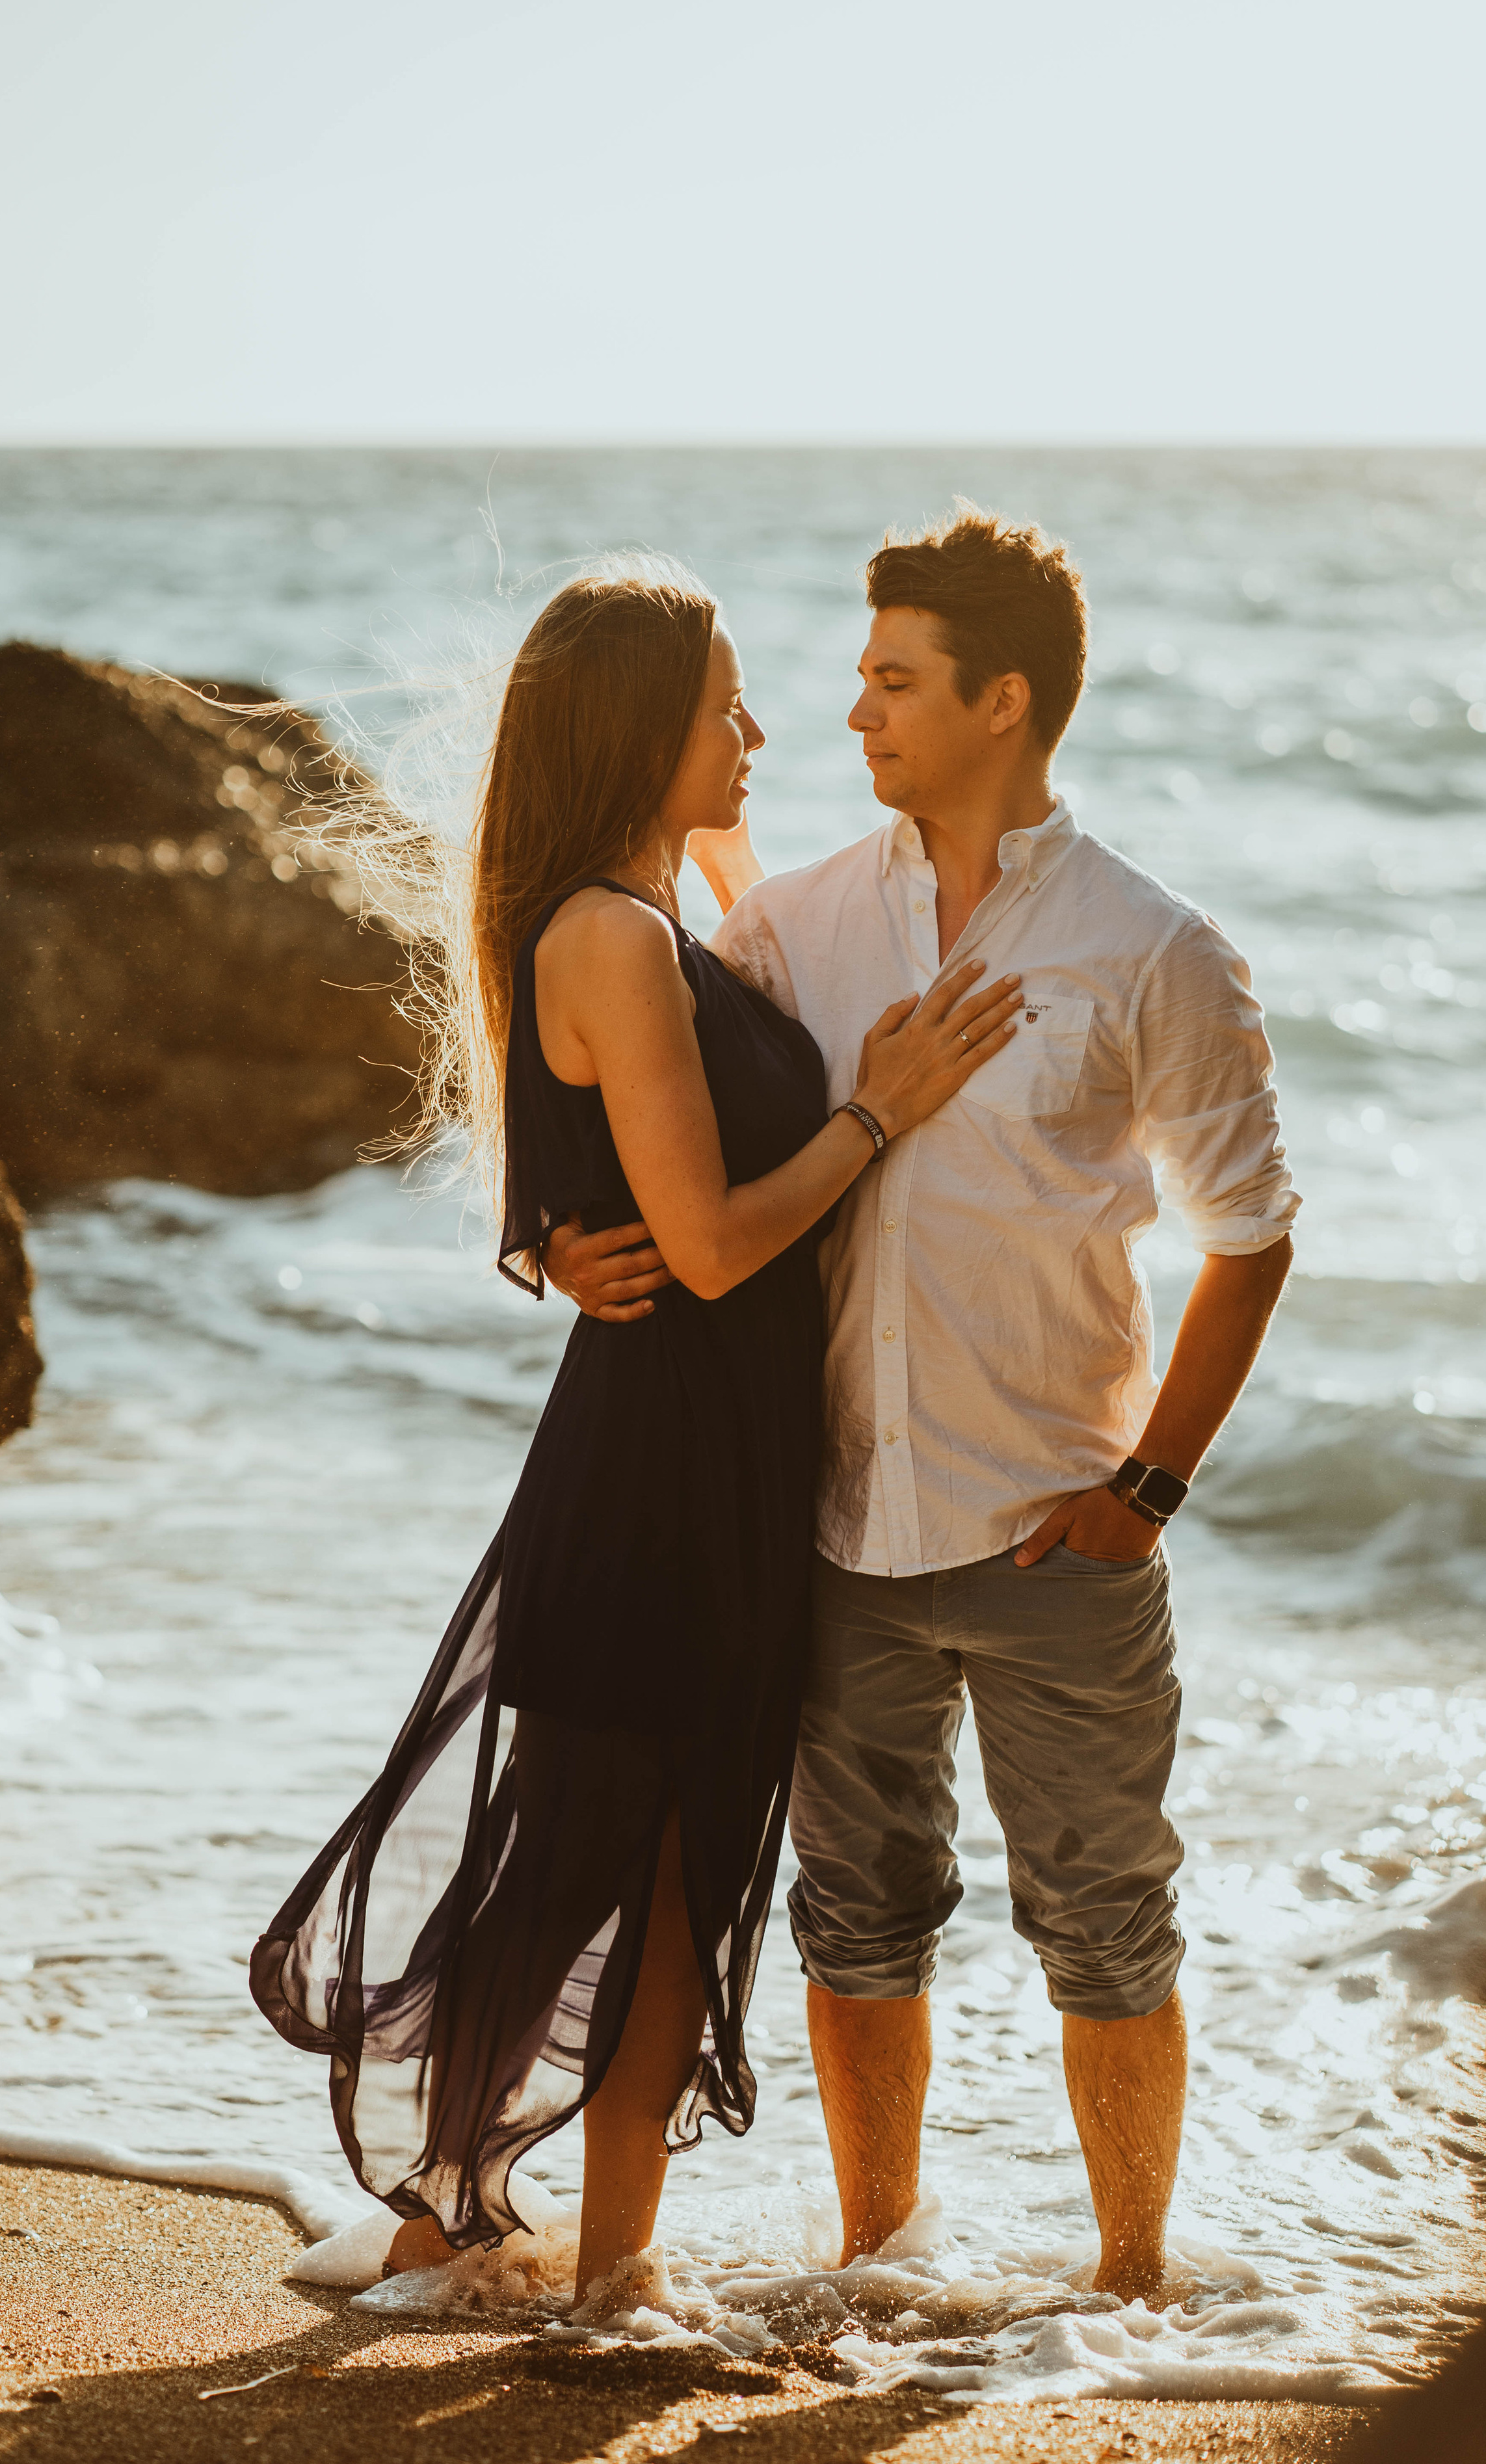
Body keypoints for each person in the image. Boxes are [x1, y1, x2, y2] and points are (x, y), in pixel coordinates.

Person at [543, 507, 1300, 2306]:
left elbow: (1252, 1235)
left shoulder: (1152, 949)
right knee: (856, 1919)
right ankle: (881, 2270)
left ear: (1003, 699)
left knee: (1107, 1927)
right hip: (836, 1530)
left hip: (1062, 1534)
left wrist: (1149, 1486)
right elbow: (640, 1101)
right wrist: (554, 1246)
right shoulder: (796, 926)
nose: (857, 709)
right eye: (859, 674)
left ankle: (1129, 2294)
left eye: (895, 679)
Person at [250, 559, 1022, 2307]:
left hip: (716, 1453)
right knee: (600, 1851)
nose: (759, 732)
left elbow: (717, 1012)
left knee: (674, 1867)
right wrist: (880, 1113)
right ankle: (473, 2222)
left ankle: (605, 2266)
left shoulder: (648, 906)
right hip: (664, 1463)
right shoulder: (610, 933)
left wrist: (543, 1233)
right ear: (635, 732)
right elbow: (716, 1241)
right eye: (722, 707)